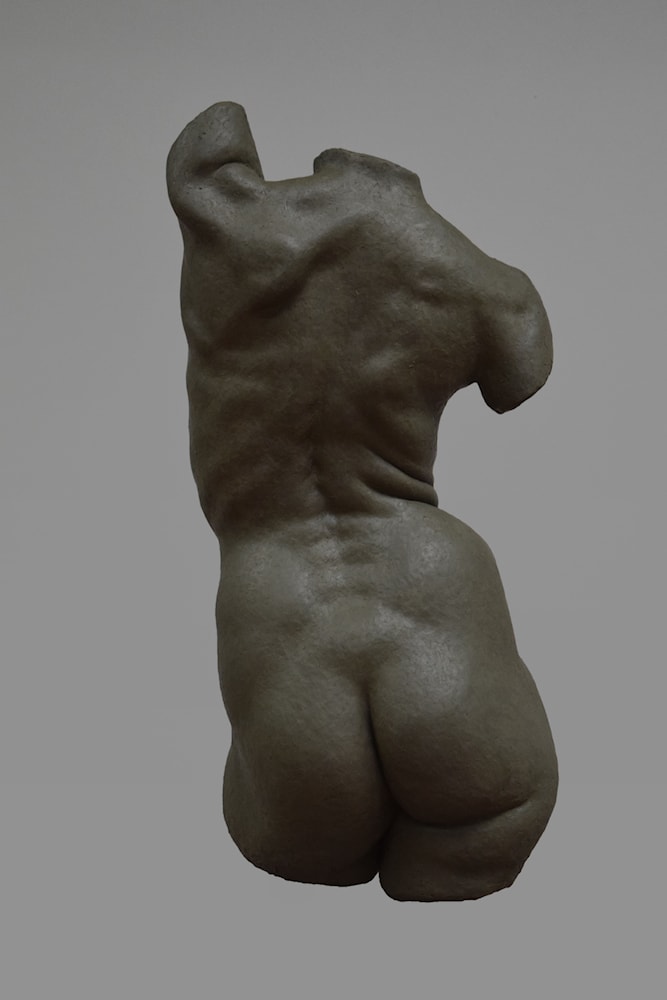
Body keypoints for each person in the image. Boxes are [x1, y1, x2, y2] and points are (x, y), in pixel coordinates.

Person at [167, 102, 558, 901]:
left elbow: (208, 135)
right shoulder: (473, 278)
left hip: (274, 594)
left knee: (305, 850)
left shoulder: (226, 215)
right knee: (490, 820)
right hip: (429, 577)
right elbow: (521, 371)